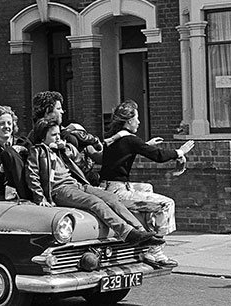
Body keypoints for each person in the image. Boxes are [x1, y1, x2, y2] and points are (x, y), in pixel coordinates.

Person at [25, 118, 165, 246]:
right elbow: (32, 175)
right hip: (60, 189)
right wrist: (40, 197)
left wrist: (65, 148)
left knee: (111, 198)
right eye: (53, 135)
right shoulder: (37, 151)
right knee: (95, 203)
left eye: (58, 134)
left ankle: (140, 231)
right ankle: (127, 233)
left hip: (77, 184)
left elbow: (80, 161)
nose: (58, 138)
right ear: (43, 137)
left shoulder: (61, 150)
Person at [99, 99, 195, 267]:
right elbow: (158, 156)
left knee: (147, 189)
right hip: (117, 192)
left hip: (106, 186)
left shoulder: (115, 138)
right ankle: (155, 250)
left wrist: (144, 145)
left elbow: (125, 151)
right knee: (166, 204)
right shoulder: (130, 140)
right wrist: (180, 151)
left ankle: (145, 238)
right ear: (129, 121)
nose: (139, 121)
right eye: (136, 118)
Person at [0, 106, 31, 200]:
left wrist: (23, 151)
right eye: (2, 123)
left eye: (9, 123)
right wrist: (2, 168)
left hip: (28, 195)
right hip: (5, 199)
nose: (6, 126)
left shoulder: (24, 143)